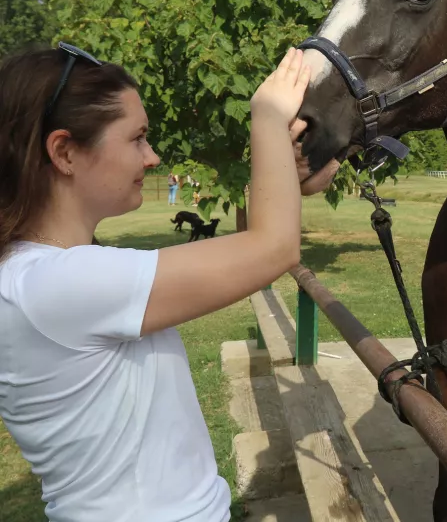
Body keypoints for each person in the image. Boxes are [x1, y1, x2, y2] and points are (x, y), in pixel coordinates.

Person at [0, 43, 329, 521]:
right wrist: (267, 115)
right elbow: (273, 249)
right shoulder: (54, 287)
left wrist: (286, 172)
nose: (152, 157)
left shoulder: (42, 275)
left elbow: (258, 240)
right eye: (137, 138)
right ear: (65, 151)